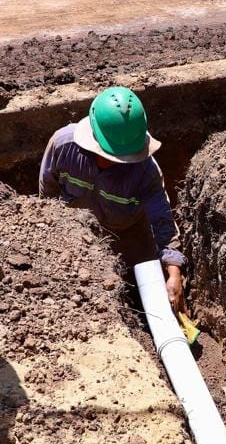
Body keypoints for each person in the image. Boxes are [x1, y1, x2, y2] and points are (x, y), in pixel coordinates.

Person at [39, 87, 187, 311]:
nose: (118, 162)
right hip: (77, 237)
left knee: (145, 291)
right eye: (112, 156)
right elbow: (46, 198)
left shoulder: (146, 171)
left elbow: (163, 225)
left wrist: (174, 273)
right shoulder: (63, 146)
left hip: (129, 231)